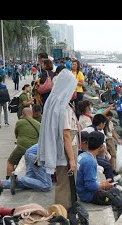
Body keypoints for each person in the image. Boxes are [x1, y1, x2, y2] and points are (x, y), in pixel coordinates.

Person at [37, 69, 78, 210]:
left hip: (64, 149)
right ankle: (60, 215)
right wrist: (72, 160)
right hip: (67, 151)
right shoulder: (62, 108)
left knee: (64, 183)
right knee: (64, 185)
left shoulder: (56, 103)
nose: (75, 92)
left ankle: (62, 213)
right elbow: (65, 135)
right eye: (73, 88)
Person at [76, 131, 122, 216]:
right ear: (101, 147)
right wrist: (104, 186)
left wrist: (102, 183)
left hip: (82, 191)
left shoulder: (83, 156)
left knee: (115, 190)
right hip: (88, 196)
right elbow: (89, 185)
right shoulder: (90, 161)